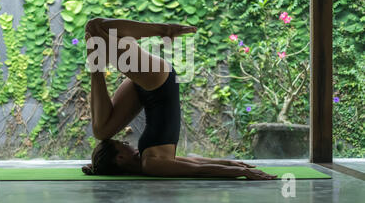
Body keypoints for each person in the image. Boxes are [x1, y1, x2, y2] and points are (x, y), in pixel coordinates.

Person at [81, 17, 277, 180]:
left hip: (146, 88)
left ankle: (97, 64)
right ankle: (162, 31)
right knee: (96, 28)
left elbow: (197, 164)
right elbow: (198, 167)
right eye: (122, 144)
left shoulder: (151, 161)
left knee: (101, 131)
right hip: (158, 81)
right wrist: (239, 170)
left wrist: (235, 165)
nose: (127, 142)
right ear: (121, 159)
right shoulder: (151, 164)